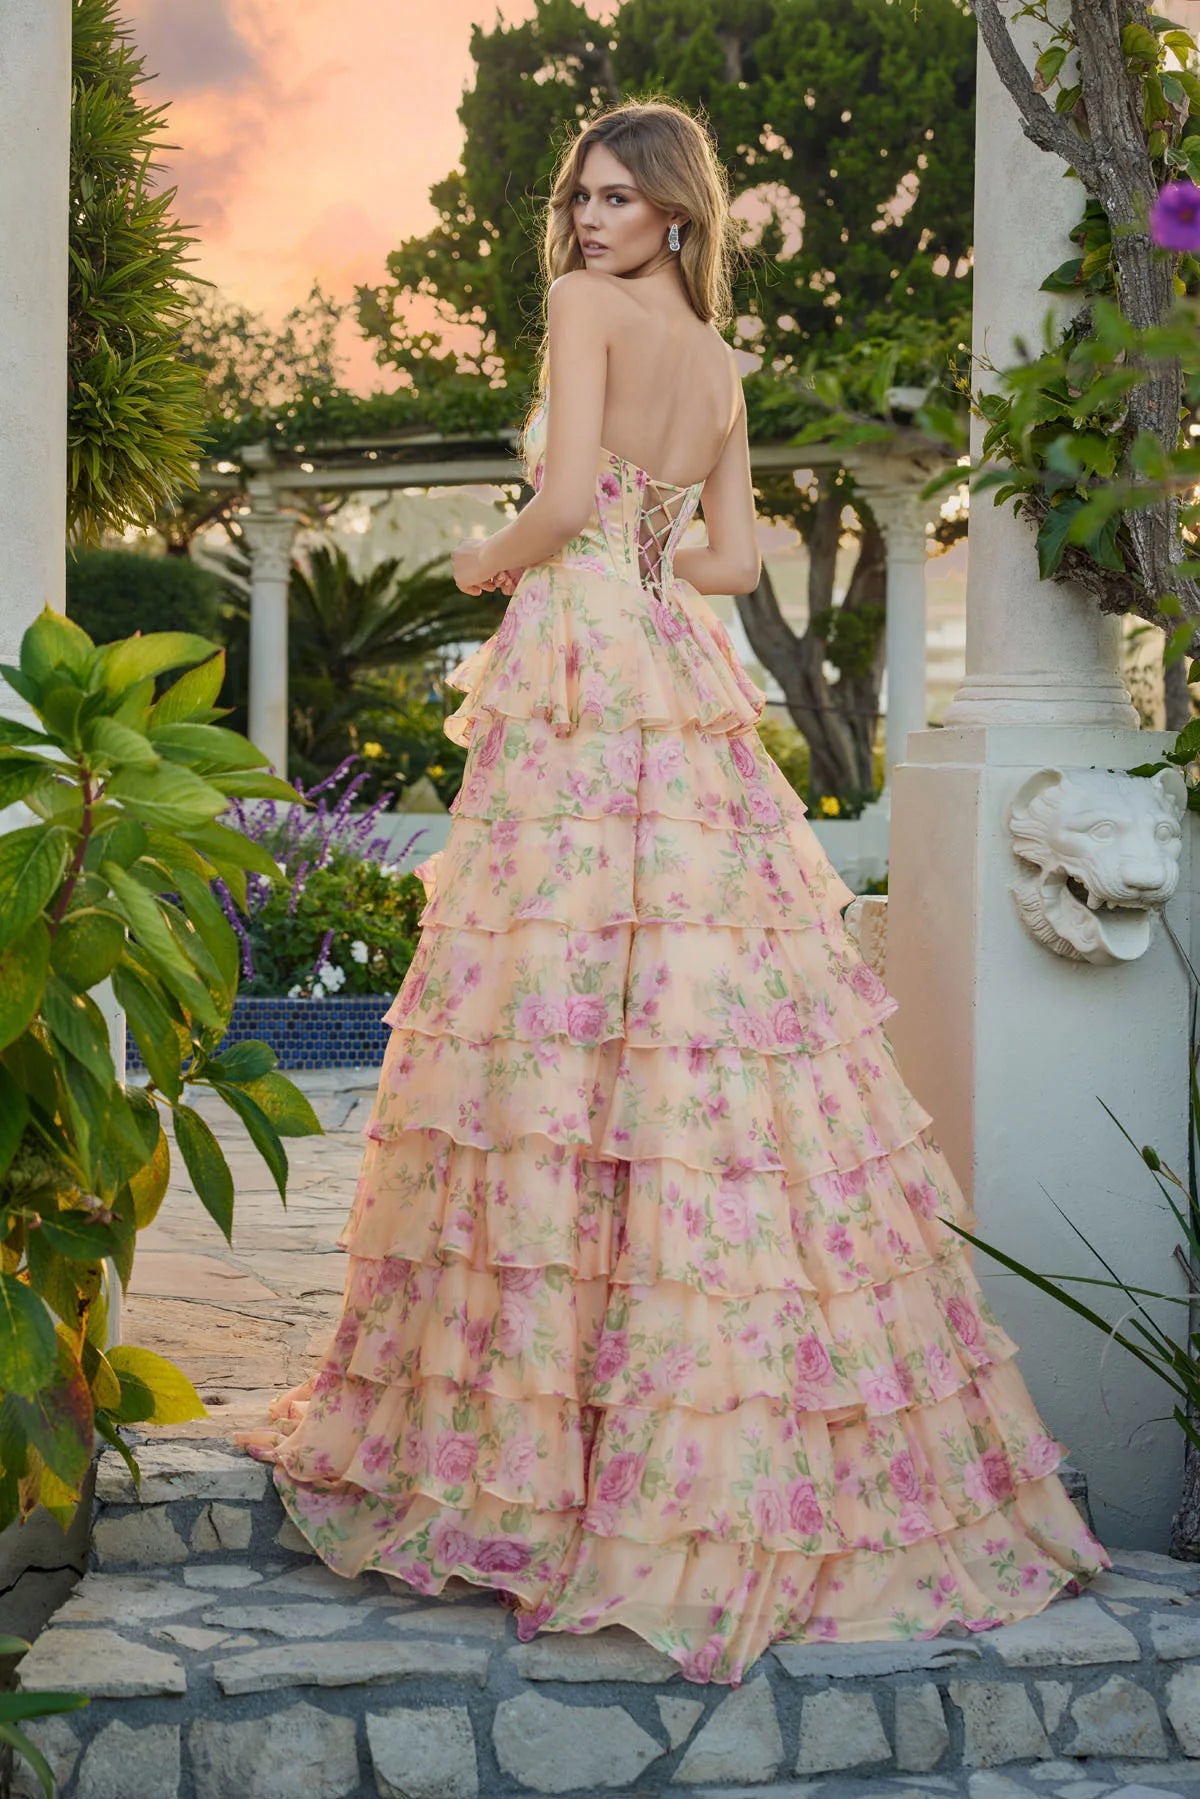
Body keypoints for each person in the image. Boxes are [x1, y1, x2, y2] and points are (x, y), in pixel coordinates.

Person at [234, 97, 1109, 1687]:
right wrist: (641, 556)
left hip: (576, 667)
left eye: (615, 198)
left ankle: (534, 1445)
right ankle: (720, 1434)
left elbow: (565, 500)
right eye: (578, 199)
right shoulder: (719, 366)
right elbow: (732, 564)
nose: (582, 222)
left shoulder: (581, 318)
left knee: (555, 1007)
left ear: (677, 216)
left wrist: (488, 563)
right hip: (670, 670)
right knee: (704, 1016)